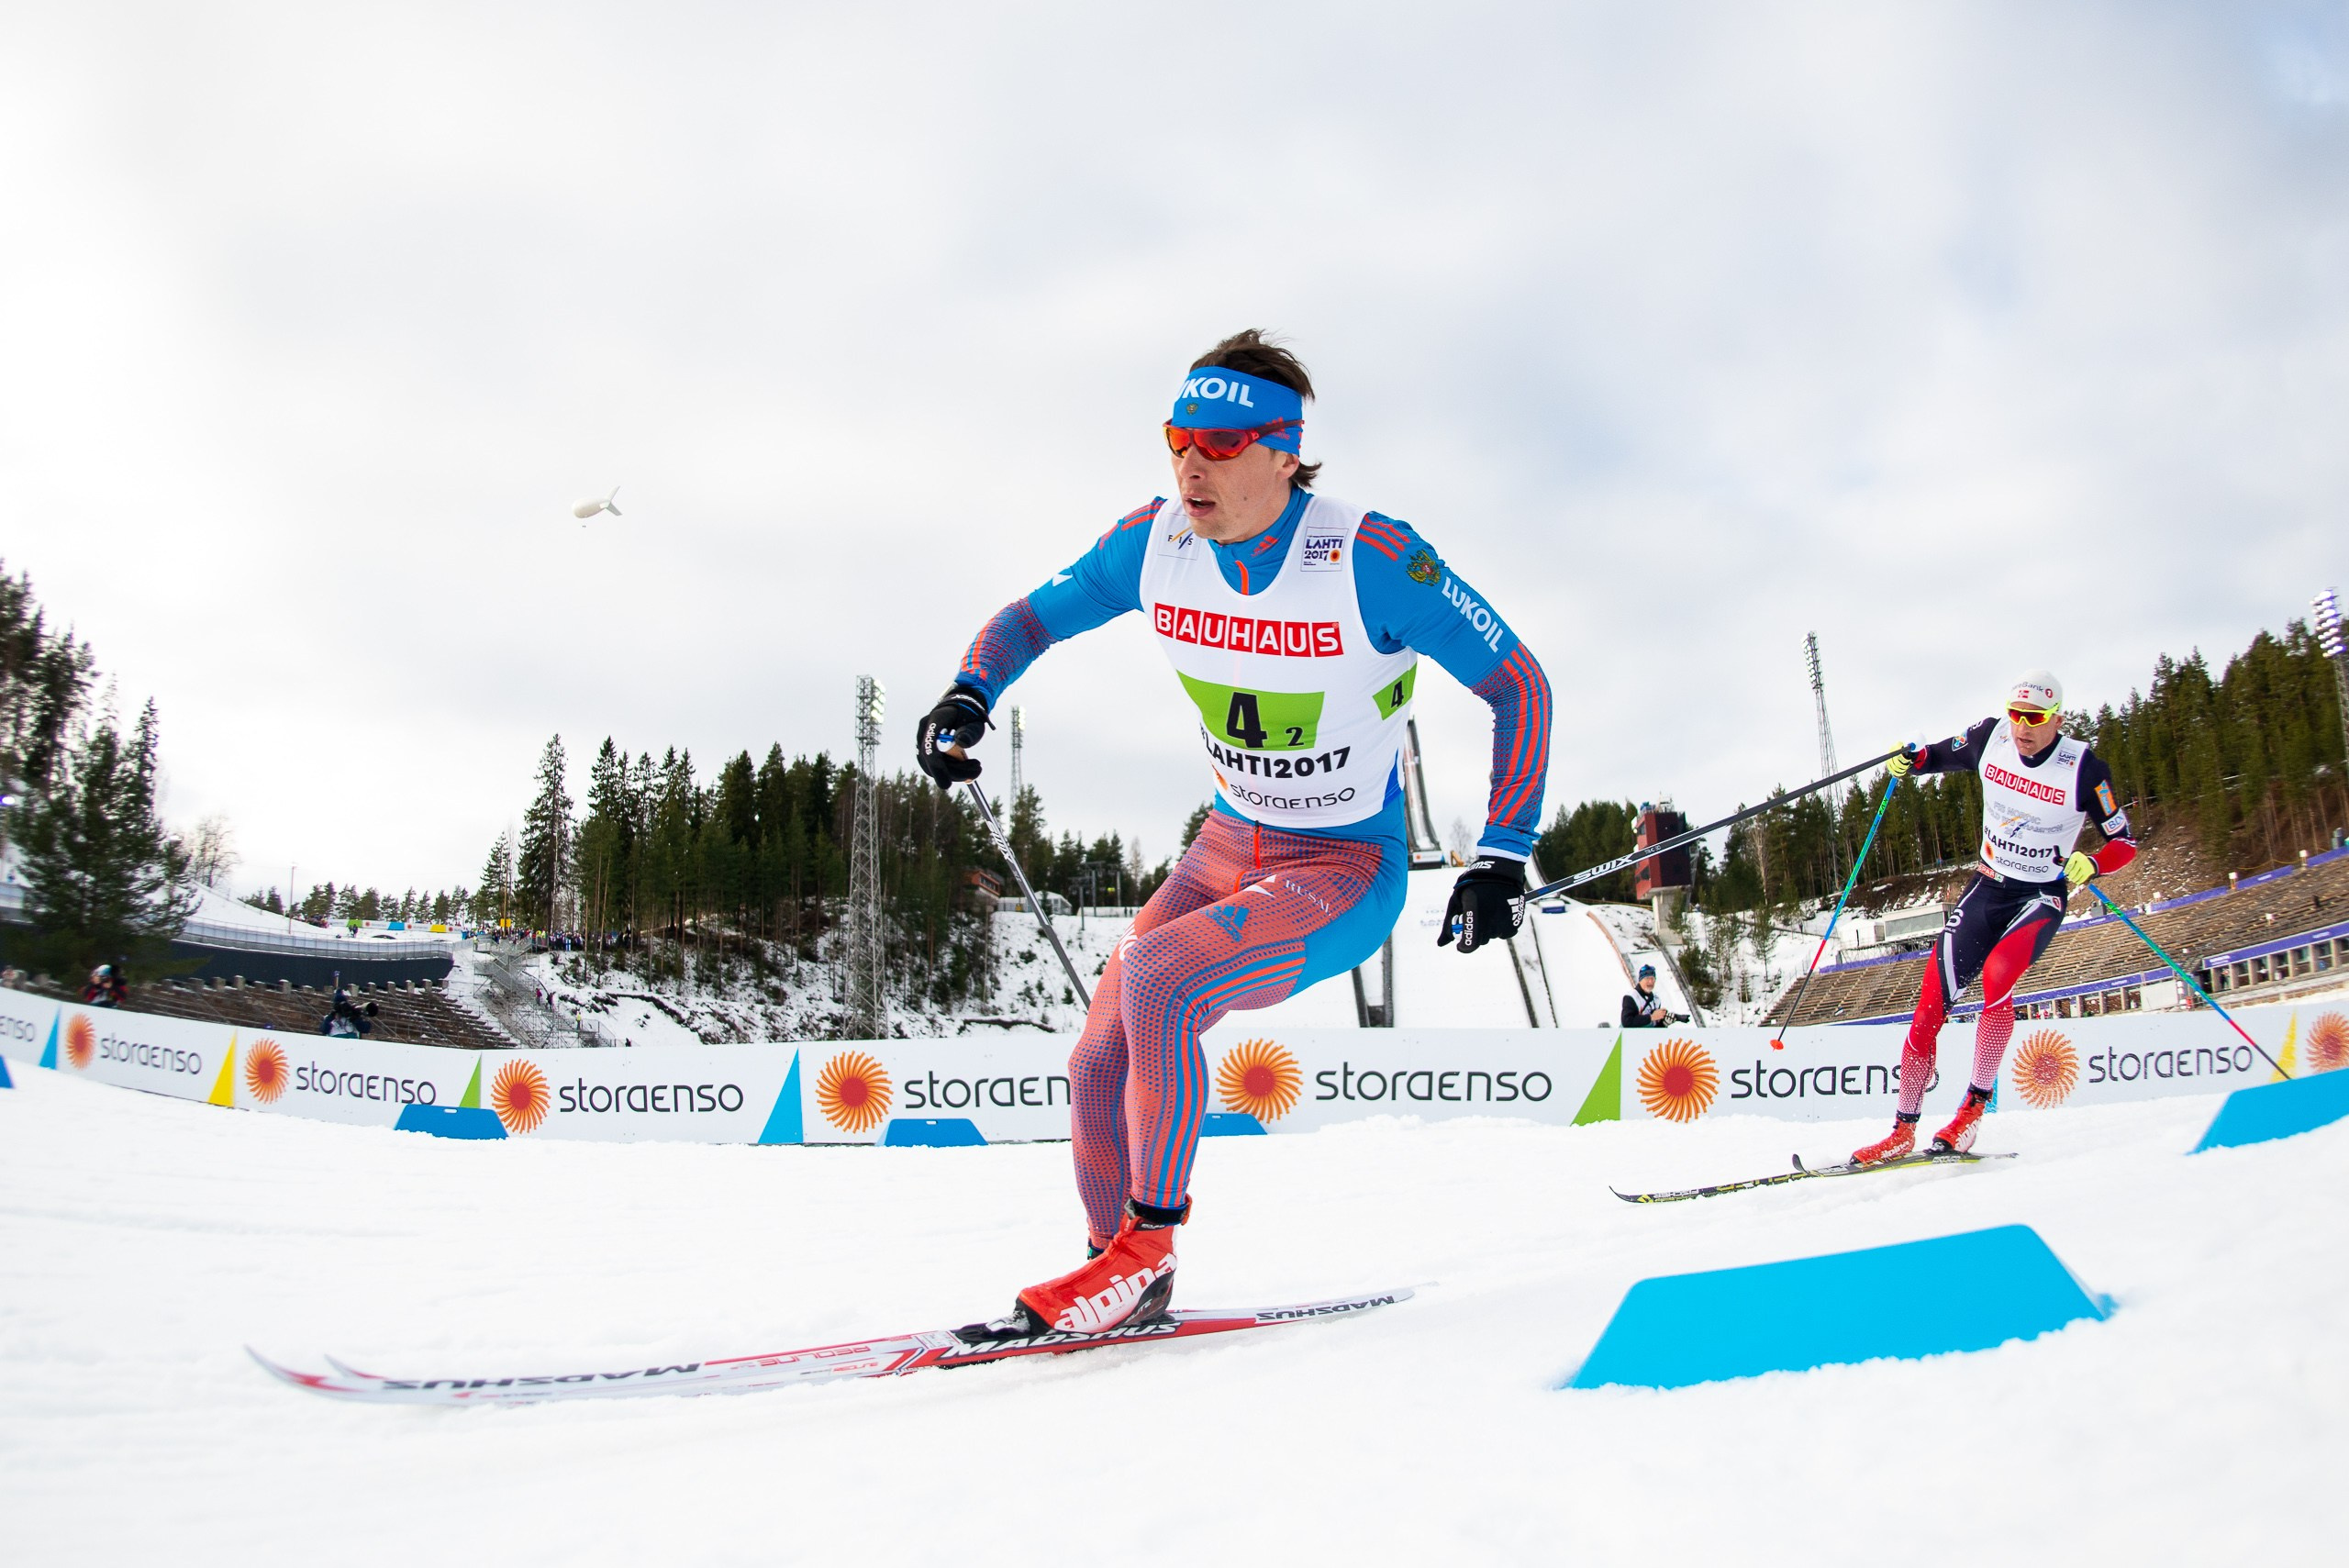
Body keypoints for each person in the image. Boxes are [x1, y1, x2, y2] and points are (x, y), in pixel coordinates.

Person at [919, 330, 1553, 1336]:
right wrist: (970, 692)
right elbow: (1029, 619)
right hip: (1227, 841)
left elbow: (1518, 684)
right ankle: (1118, 1272)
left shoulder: (1373, 559)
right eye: (1177, 438)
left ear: (1284, 452)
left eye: (1218, 443)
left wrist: (1503, 852)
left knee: (1160, 976)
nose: (1190, 466)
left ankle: (1144, 1248)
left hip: (1343, 863)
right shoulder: (1154, 544)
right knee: (1096, 1060)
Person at [1852, 670, 2136, 1165]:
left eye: (2036, 718)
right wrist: (1911, 759)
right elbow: (1937, 756)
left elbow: (2124, 842)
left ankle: (1970, 1112)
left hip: (2039, 896)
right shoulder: (1991, 738)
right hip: (1987, 887)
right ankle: (1902, 1130)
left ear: (2057, 720)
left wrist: (2093, 863)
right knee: (1929, 1007)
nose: (2023, 727)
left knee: (1998, 975)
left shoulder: (2084, 768)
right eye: (2017, 714)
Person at [1621, 963, 1672, 1028]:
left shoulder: (1656, 1000)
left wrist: (1664, 1023)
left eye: (1652, 978)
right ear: (1640, 980)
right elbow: (1627, 1022)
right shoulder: (1631, 997)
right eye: (1647, 978)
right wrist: (1651, 1017)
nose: (1650, 981)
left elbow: (1655, 1026)